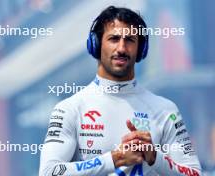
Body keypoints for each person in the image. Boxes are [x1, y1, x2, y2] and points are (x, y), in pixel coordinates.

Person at [39, 6, 202, 176]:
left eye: (130, 40)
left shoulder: (166, 110)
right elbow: (49, 172)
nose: (122, 48)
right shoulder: (69, 109)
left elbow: (195, 174)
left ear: (141, 49)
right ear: (96, 45)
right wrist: (115, 159)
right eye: (114, 39)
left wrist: (155, 157)